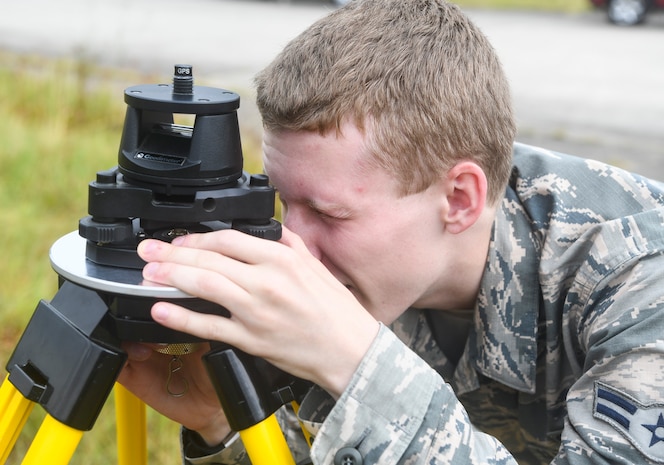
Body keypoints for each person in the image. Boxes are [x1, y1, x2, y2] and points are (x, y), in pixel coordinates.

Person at [117, 0, 664, 463]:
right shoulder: (367, 267)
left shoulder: (641, 277)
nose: (294, 246)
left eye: (330, 215)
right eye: (283, 203)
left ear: (458, 199)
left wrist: (361, 370)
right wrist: (225, 424)